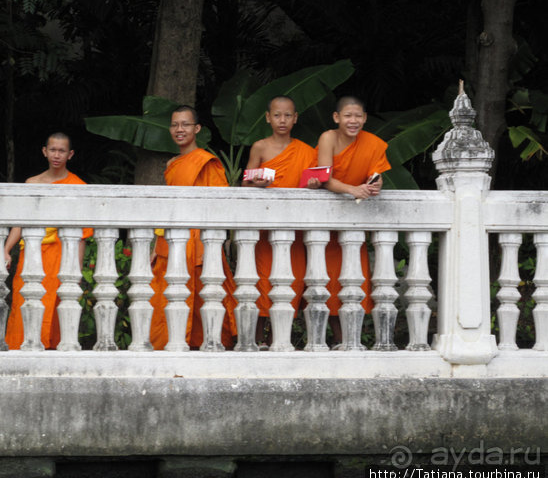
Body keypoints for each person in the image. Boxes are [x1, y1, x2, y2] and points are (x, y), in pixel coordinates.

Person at [149, 105, 238, 350]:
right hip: (172, 239)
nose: (180, 129)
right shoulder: (172, 163)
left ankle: (206, 343)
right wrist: (157, 243)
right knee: (167, 293)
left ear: (196, 129)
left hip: (199, 240)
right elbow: (168, 208)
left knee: (202, 292)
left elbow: (219, 205)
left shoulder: (206, 162)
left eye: (185, 124)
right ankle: (167, 343)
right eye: (175, 124)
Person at [308, 96, 391, 343]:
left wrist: (375, 185)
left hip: (353, 224)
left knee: (353, 281)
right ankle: (325, 339)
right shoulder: (328, 138)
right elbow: (324, 177)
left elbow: (377, 175)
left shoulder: (373, 144)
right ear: (337, 118)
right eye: (347, 116)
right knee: (324, 282)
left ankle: (350, 340)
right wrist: (353, 189)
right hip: (325, 222)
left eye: (358, 116)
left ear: (365, 118)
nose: (353, 121)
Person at [4, 132, 93, 350]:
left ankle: (51, 352)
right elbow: (20, 223)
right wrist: (6, 249)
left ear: (70, 154)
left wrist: (77, 270)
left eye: (62, 151)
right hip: (31, 255)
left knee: (55, 304)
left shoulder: (78, 186)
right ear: (44, 151)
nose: (56, 155)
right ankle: (19, 349)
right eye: (52, 150)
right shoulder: (31, 183)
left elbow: (81, 235)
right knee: (23, 302)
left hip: (60, 256)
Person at [243, 95, 317, 346]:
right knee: (261, 282)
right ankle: (255, 341)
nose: (282, 120)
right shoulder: (260, 147)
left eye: (287, 115)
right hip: (264, 228)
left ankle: (279, 340)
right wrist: (257, 183)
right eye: (277, 115)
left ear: (295, 118)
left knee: (291, 283)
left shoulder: (307, 151)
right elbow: (245, 181)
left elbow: (312, 182)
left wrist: (315, 185)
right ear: (267, 117)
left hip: (294, 230)